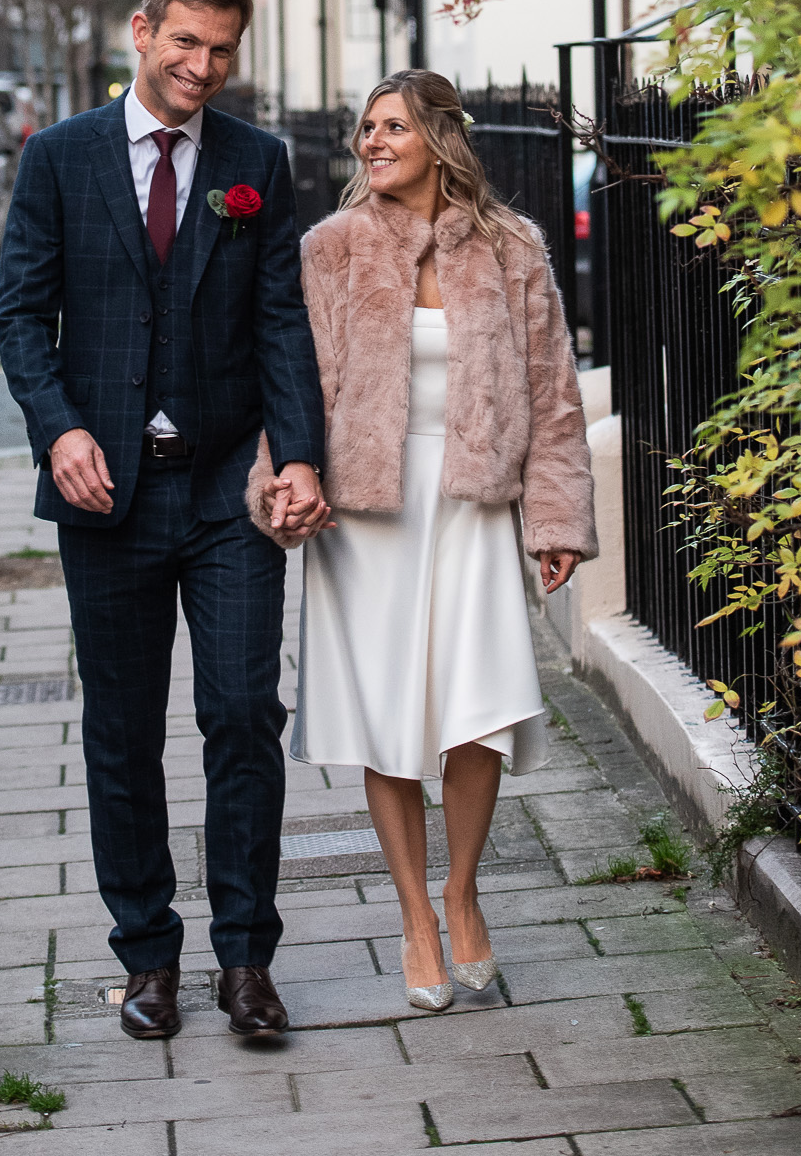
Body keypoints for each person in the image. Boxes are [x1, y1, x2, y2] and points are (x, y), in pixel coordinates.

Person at [0, 0, 329, 1046]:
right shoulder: (58, 157)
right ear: (142, 30)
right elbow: (18, 316)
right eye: (185, 42)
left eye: (222, 48)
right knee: (122, 732)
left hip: (231, 488)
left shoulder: (257, 163)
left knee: (242, 714)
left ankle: (247, 960)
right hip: (109, 496)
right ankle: (147, 952)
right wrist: (61, 428)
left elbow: (283, 320)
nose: (203, 66)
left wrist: (301, 456)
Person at [248, 70, 596, 1009]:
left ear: (439, 138)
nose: (370, 142)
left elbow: (554, 394)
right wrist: (282, 482)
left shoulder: (513, 247)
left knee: (479, 706)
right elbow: (290, 384)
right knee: (388, 717)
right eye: (364, 127)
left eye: (390, 126)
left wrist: (555, 517)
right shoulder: (332, 248)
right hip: (365, 515)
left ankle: (462, 891)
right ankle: (413, 919)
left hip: (474, 500)